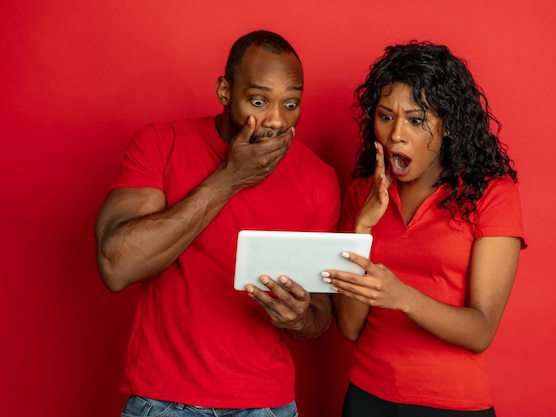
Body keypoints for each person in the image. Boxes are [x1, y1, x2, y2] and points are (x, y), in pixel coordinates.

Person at [94, 30, 340, 416]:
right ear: (225, 91)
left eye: (290, 104)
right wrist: (229, 179)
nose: (276, 120)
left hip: (268, 405)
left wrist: (300, 317)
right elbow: (116, 265)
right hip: (165, 403)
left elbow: (321, 315)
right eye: (258, 101)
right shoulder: (161, 145)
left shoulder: (318, 179)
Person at [322, 41, 526, 416]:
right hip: (367, 397)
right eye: (386, 117)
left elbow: (481, 330)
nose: (396, 134)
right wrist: (362, 226)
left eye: (416, 120)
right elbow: (349, 328)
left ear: (448, 125)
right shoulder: (361, 195)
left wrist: (402, 297)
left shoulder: (492, 195)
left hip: (452, 404)